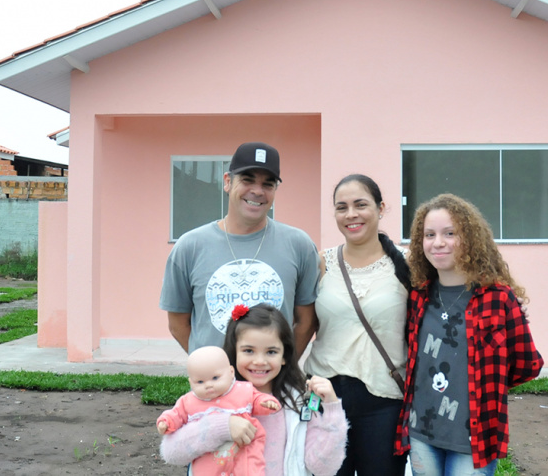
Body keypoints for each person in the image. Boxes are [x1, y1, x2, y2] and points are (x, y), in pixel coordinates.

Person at [394, 193, 544, 475]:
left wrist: (486, 382)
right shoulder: (417, 296)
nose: (438, 242)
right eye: (429, 234)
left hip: (475, 441)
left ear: (470, 239)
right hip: (421, 434)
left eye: (450, 233)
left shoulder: (499, 298)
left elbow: (528, 365)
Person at [159, 141, 320, 358]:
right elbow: (178, 323)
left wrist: (283, 367)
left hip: (273, 390)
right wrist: (211, 369)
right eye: (247, 180)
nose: (257, 191)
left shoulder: (299, 244)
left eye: (268, 184)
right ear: (227, 181)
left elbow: (306, 321)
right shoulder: (190, 247)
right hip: (214, 390)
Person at [160, 303, 349, 476]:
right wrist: (222, 427)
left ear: (284, 355)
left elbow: (323, 468)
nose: (259, 361)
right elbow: (171, 454)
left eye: (271, 351)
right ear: (233, 353)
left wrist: (332, 409)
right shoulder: (208, 396)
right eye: (249, 350)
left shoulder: (298, 403)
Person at [303, 174, 410, 475]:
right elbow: (304, 325)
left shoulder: (408, 264)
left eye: (360, 204)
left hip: (385, 401)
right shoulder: (321, 262)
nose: (351, 214)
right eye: (342, 207)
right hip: (324, 396)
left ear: (381, 208)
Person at [156, 345, 281, 475]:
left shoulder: (242, 390)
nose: (208, 385)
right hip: (209, 459)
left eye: (215, 378)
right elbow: (176, 414)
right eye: (200, 382)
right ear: (191, 382)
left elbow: (256, 399)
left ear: (231, 372)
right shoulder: (188, 401)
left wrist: (266, 403)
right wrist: (166, 422)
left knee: (249, 468)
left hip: (245, 452)